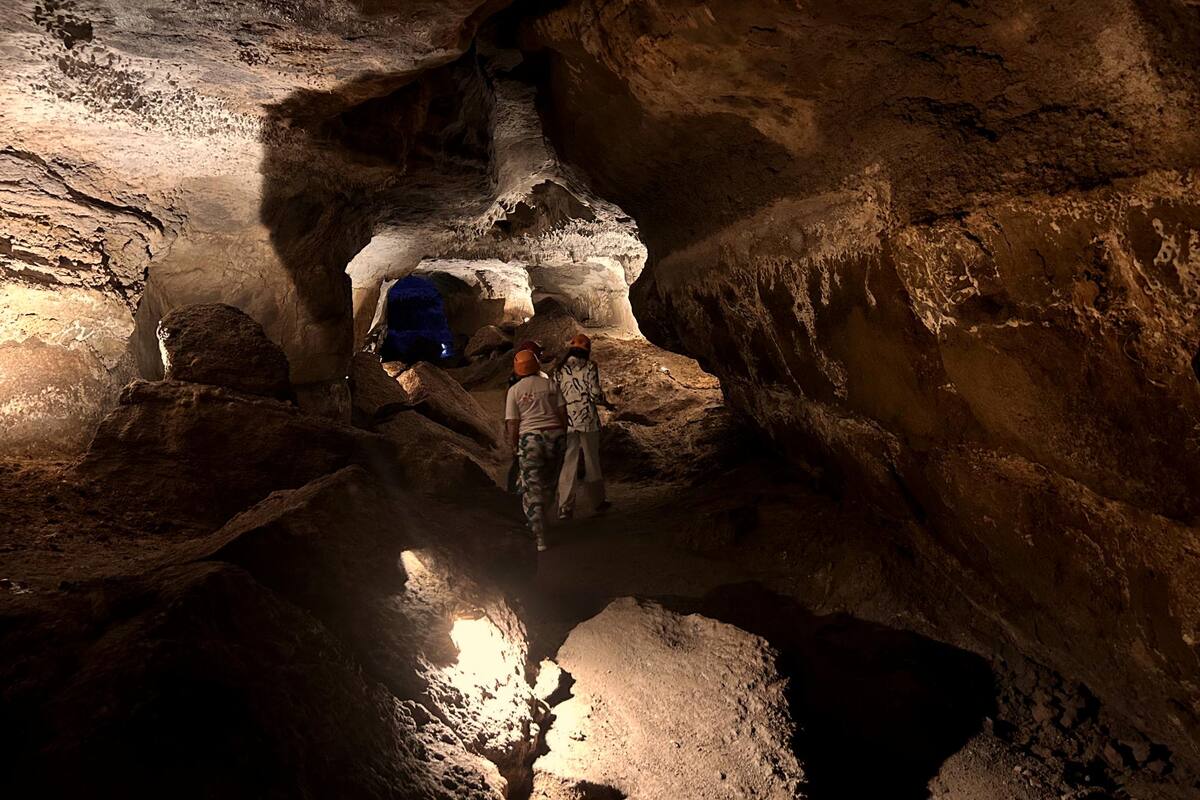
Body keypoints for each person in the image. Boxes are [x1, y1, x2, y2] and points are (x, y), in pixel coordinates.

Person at [505, 348, 567, 551]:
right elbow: (562, 413)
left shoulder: (514, 391)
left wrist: (514, 445)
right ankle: (544, 517)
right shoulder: (550, 384)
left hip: (530, 439)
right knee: (549, 482)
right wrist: (562, 435)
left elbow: (513, 423)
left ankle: (539, 534)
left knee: (532, 485)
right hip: (555, 436)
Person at [554, 333, 612, 519]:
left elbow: (555, 396)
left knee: (568, 463)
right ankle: (598, 502)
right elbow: (595, 394)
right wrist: (607, 403)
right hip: (587, 421)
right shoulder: (589, 367)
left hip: (567, 422)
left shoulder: (559, 369)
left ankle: (565, 507)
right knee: (591, 461)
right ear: (587, 350)